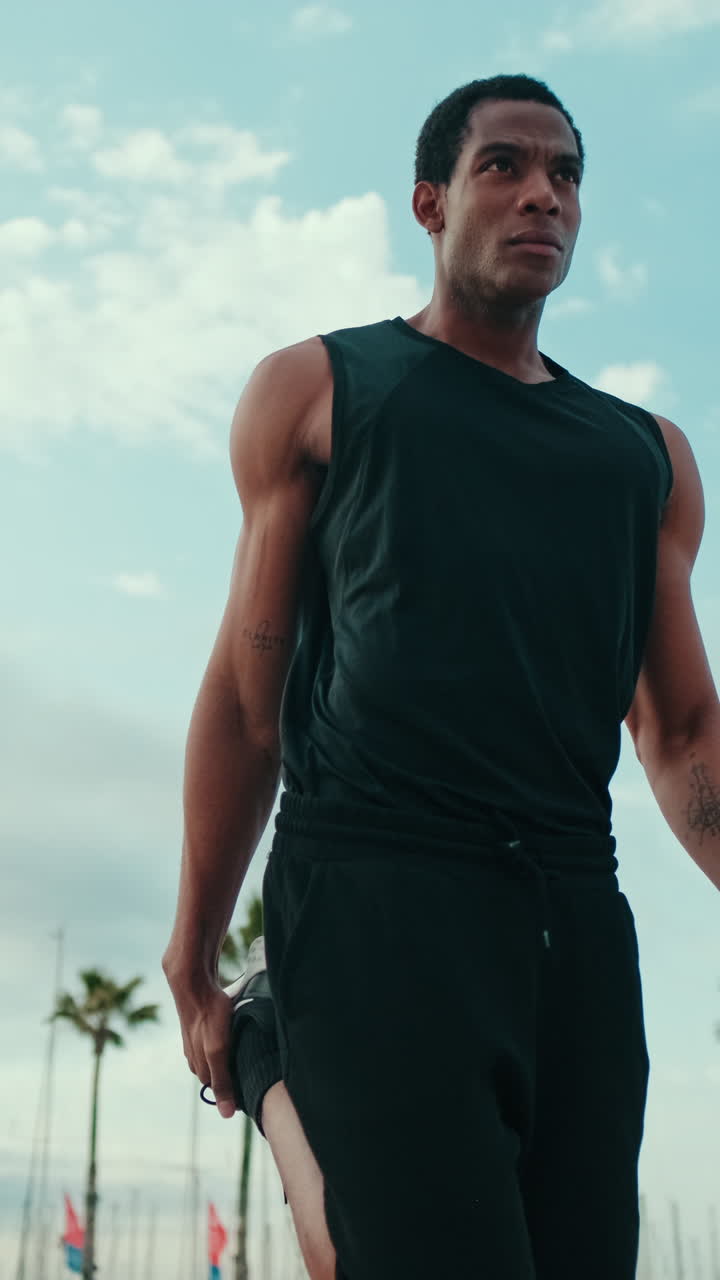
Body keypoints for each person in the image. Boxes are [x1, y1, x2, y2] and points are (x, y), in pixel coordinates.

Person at [163, 73, 719, 1280]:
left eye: (566, 175)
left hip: (573, 909)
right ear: (429, 201)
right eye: (504, 166)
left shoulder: (646, 458)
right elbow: (251, 701)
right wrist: (195, 944)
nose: (543, 196)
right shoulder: (321, 389)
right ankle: (273, 1068)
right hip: (374, 881)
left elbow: (680, 735)